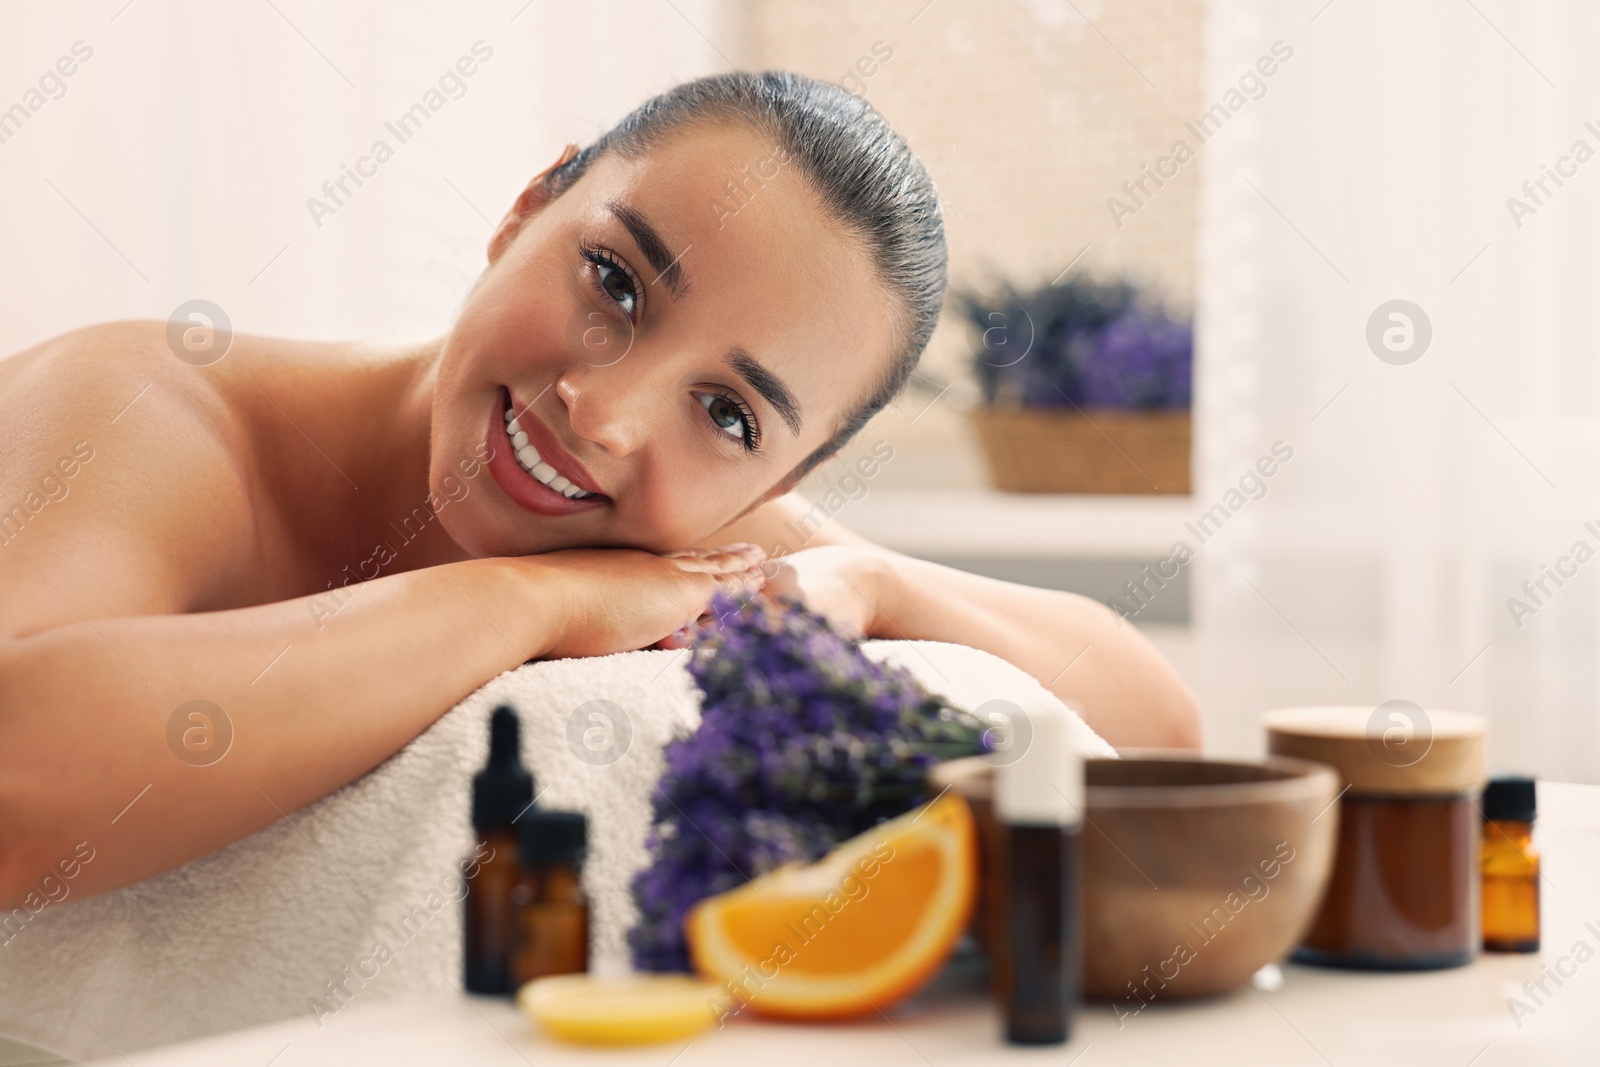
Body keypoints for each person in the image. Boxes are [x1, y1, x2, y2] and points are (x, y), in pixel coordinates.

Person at [0, 71, 1198, 906]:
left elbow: (1156, 736)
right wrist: (531, 604)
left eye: (729, 413)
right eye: (617, 284)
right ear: (529, 204)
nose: (608, 414)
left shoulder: (697, 521)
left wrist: (873, 580)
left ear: (787, 474)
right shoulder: (146, 408)